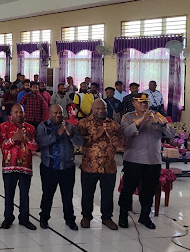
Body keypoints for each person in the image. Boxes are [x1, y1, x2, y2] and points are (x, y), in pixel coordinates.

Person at [119, 93, 175, 229]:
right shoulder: (128, 117)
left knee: (149, 191)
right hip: (133, 160)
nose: (144, 104)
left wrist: (163, 124)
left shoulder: (157, 116)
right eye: (141, 102)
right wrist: (142, 119)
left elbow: (171, 134)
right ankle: (123, 215)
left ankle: (145, 217)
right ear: (134, 103)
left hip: (153, 161)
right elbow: (126, 133)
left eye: (146, 102)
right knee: (128, 189)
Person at [77, 99, 125, 230]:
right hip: (89, 166)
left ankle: (107, 218)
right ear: (92, 109)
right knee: (87, 193)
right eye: (98, 108)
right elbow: (78, 141)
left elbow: (123, 144)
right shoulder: (84, 123)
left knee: (107, 194)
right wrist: (95, 136)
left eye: (103, 108)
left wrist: (111, 137)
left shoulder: (114, 125)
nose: (101, 111)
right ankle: (86, 216)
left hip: (108, 166)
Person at [36, 105, 83, 231]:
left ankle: (70, 219)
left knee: (67, 195)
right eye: (55, 113)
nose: (58, 115)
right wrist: (57, 134)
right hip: (49, 167)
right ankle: (44, 218)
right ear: (49, 113)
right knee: (47, 194)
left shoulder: (69, 126)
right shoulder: (43, 126)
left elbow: (80, 142)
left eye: (60, 113)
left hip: (67, 167)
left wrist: (71, 135)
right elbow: (41, 143)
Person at [0, 104, 38, 230]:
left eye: (21, 112)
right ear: (11, 114)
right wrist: (13, 139)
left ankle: (24, 219)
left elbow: (34, 148)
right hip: (9, 166)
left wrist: (30, 138)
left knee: (25, 194)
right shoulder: (4, 127)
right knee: (9, 194)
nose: (19, 114)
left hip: (25, 167)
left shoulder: (30, 128)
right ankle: (8, 218)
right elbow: (2, 146)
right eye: (16, 112)